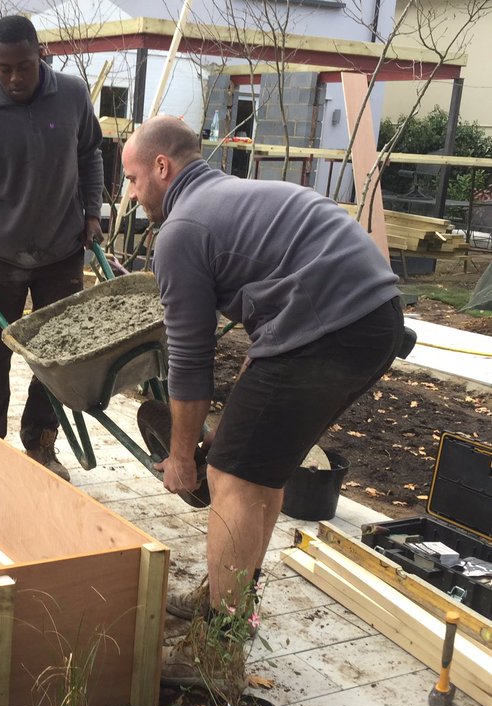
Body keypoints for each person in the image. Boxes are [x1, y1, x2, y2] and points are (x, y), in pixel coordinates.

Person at [121, 115, 404, 617]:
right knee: (260, 470)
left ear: (161, 167)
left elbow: (189, 356)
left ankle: (217, 641)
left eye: (132, 178)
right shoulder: (238, 196)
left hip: (331, 326)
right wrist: (232, 416)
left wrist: (184, 458)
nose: (131, 192)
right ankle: (223, 603)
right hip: (375, 317)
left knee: (231, 477)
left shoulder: (181, 231)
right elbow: (272, 315)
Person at [0, 14, 105, 480]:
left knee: (55, 357)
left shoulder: (73, 95)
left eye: (23, 66)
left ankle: (41, 444)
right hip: (1, 256)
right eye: (3, 69)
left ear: (40, 54)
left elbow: (90, 153)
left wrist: (93, 213)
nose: (14, 78)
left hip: (62, 251)